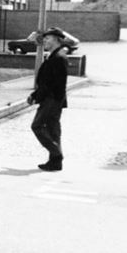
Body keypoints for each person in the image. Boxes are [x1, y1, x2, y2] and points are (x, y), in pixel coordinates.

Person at [27, 27, 73, 171]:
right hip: (51, 99)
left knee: (37, 126)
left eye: (48, 38)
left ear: (56, 39)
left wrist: (52, 101)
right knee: (53, 130)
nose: (45, 41)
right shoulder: (54, 55)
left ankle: (57, 154)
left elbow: (58, 84)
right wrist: (35, 95)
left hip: (52, 100)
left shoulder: (59, 57)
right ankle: (55, 162)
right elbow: (46, 81)